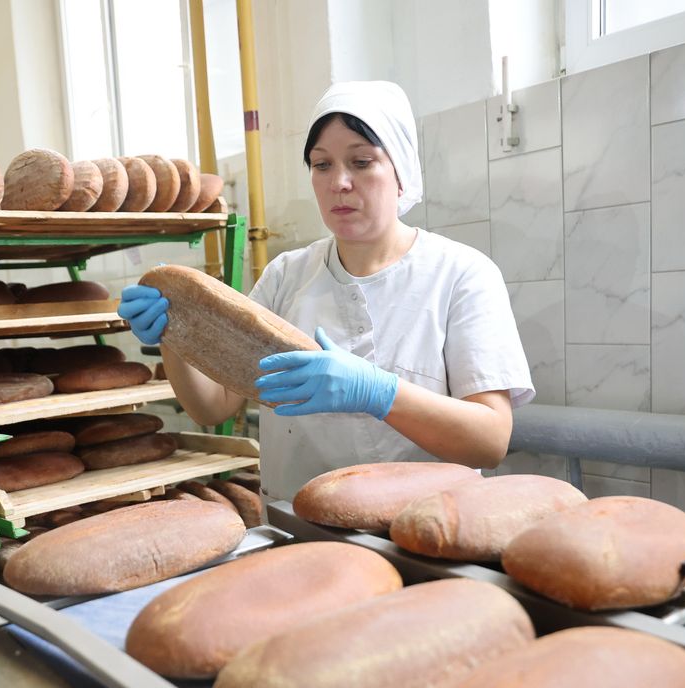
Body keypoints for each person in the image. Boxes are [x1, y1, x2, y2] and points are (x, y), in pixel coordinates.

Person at [118, 81, 534, 502]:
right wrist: (174, 335)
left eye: (361, 162)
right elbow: (215, 405)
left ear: (402, 172)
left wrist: (378, 393)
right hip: (296, 522)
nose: (339, 182)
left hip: (423, 526)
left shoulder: (461, 275)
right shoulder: (285, 276)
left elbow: (490, 441)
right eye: (322, 165)